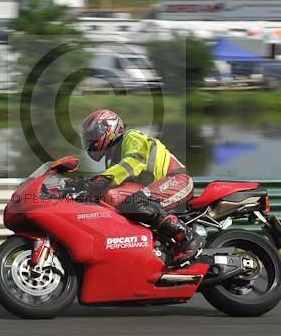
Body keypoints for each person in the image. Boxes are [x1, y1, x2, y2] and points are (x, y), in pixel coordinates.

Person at [76, 109, 204, 264]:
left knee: (136, 203)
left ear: (108, 130)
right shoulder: (113, 158)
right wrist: (82, 187)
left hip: (177, 180)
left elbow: (133, 162)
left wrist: (103, 179)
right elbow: (114, 181)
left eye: (92, 138)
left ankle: (188, 237)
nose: (90, 144)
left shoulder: (131, 137)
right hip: (155, 188)